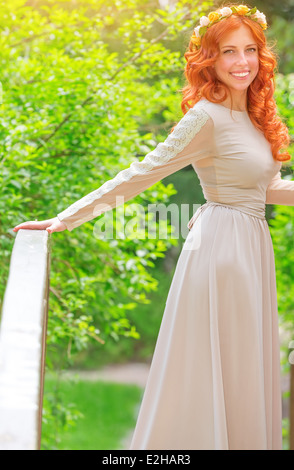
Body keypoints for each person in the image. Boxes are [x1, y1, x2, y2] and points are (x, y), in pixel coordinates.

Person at [13, 4, 294, 450]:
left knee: (245, 370)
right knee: (220, 368)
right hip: (222, 252)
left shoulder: (256, 116)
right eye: (229, 52)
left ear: (262, 56)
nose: (242, 62)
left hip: (251, 249)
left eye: (250, 50)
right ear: (210, 59)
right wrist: (67, 218)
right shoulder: (206, 115)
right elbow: (142, 172)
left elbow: (269, 186)